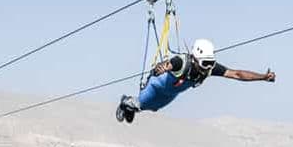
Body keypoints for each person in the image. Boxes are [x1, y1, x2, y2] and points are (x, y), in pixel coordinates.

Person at [116, 39, 275, 123]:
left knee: (153, 108)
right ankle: (126, 103)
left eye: (211, 63)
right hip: (156, 86)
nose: (208, 68)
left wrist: (262, 77)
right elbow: (169, 64)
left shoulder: (210, 69)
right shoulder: (182, 62)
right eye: (205, 63)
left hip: (170, 93)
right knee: (140, 103)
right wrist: (162, 68)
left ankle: (132, 109)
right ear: (195, 58)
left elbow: (238, 74)